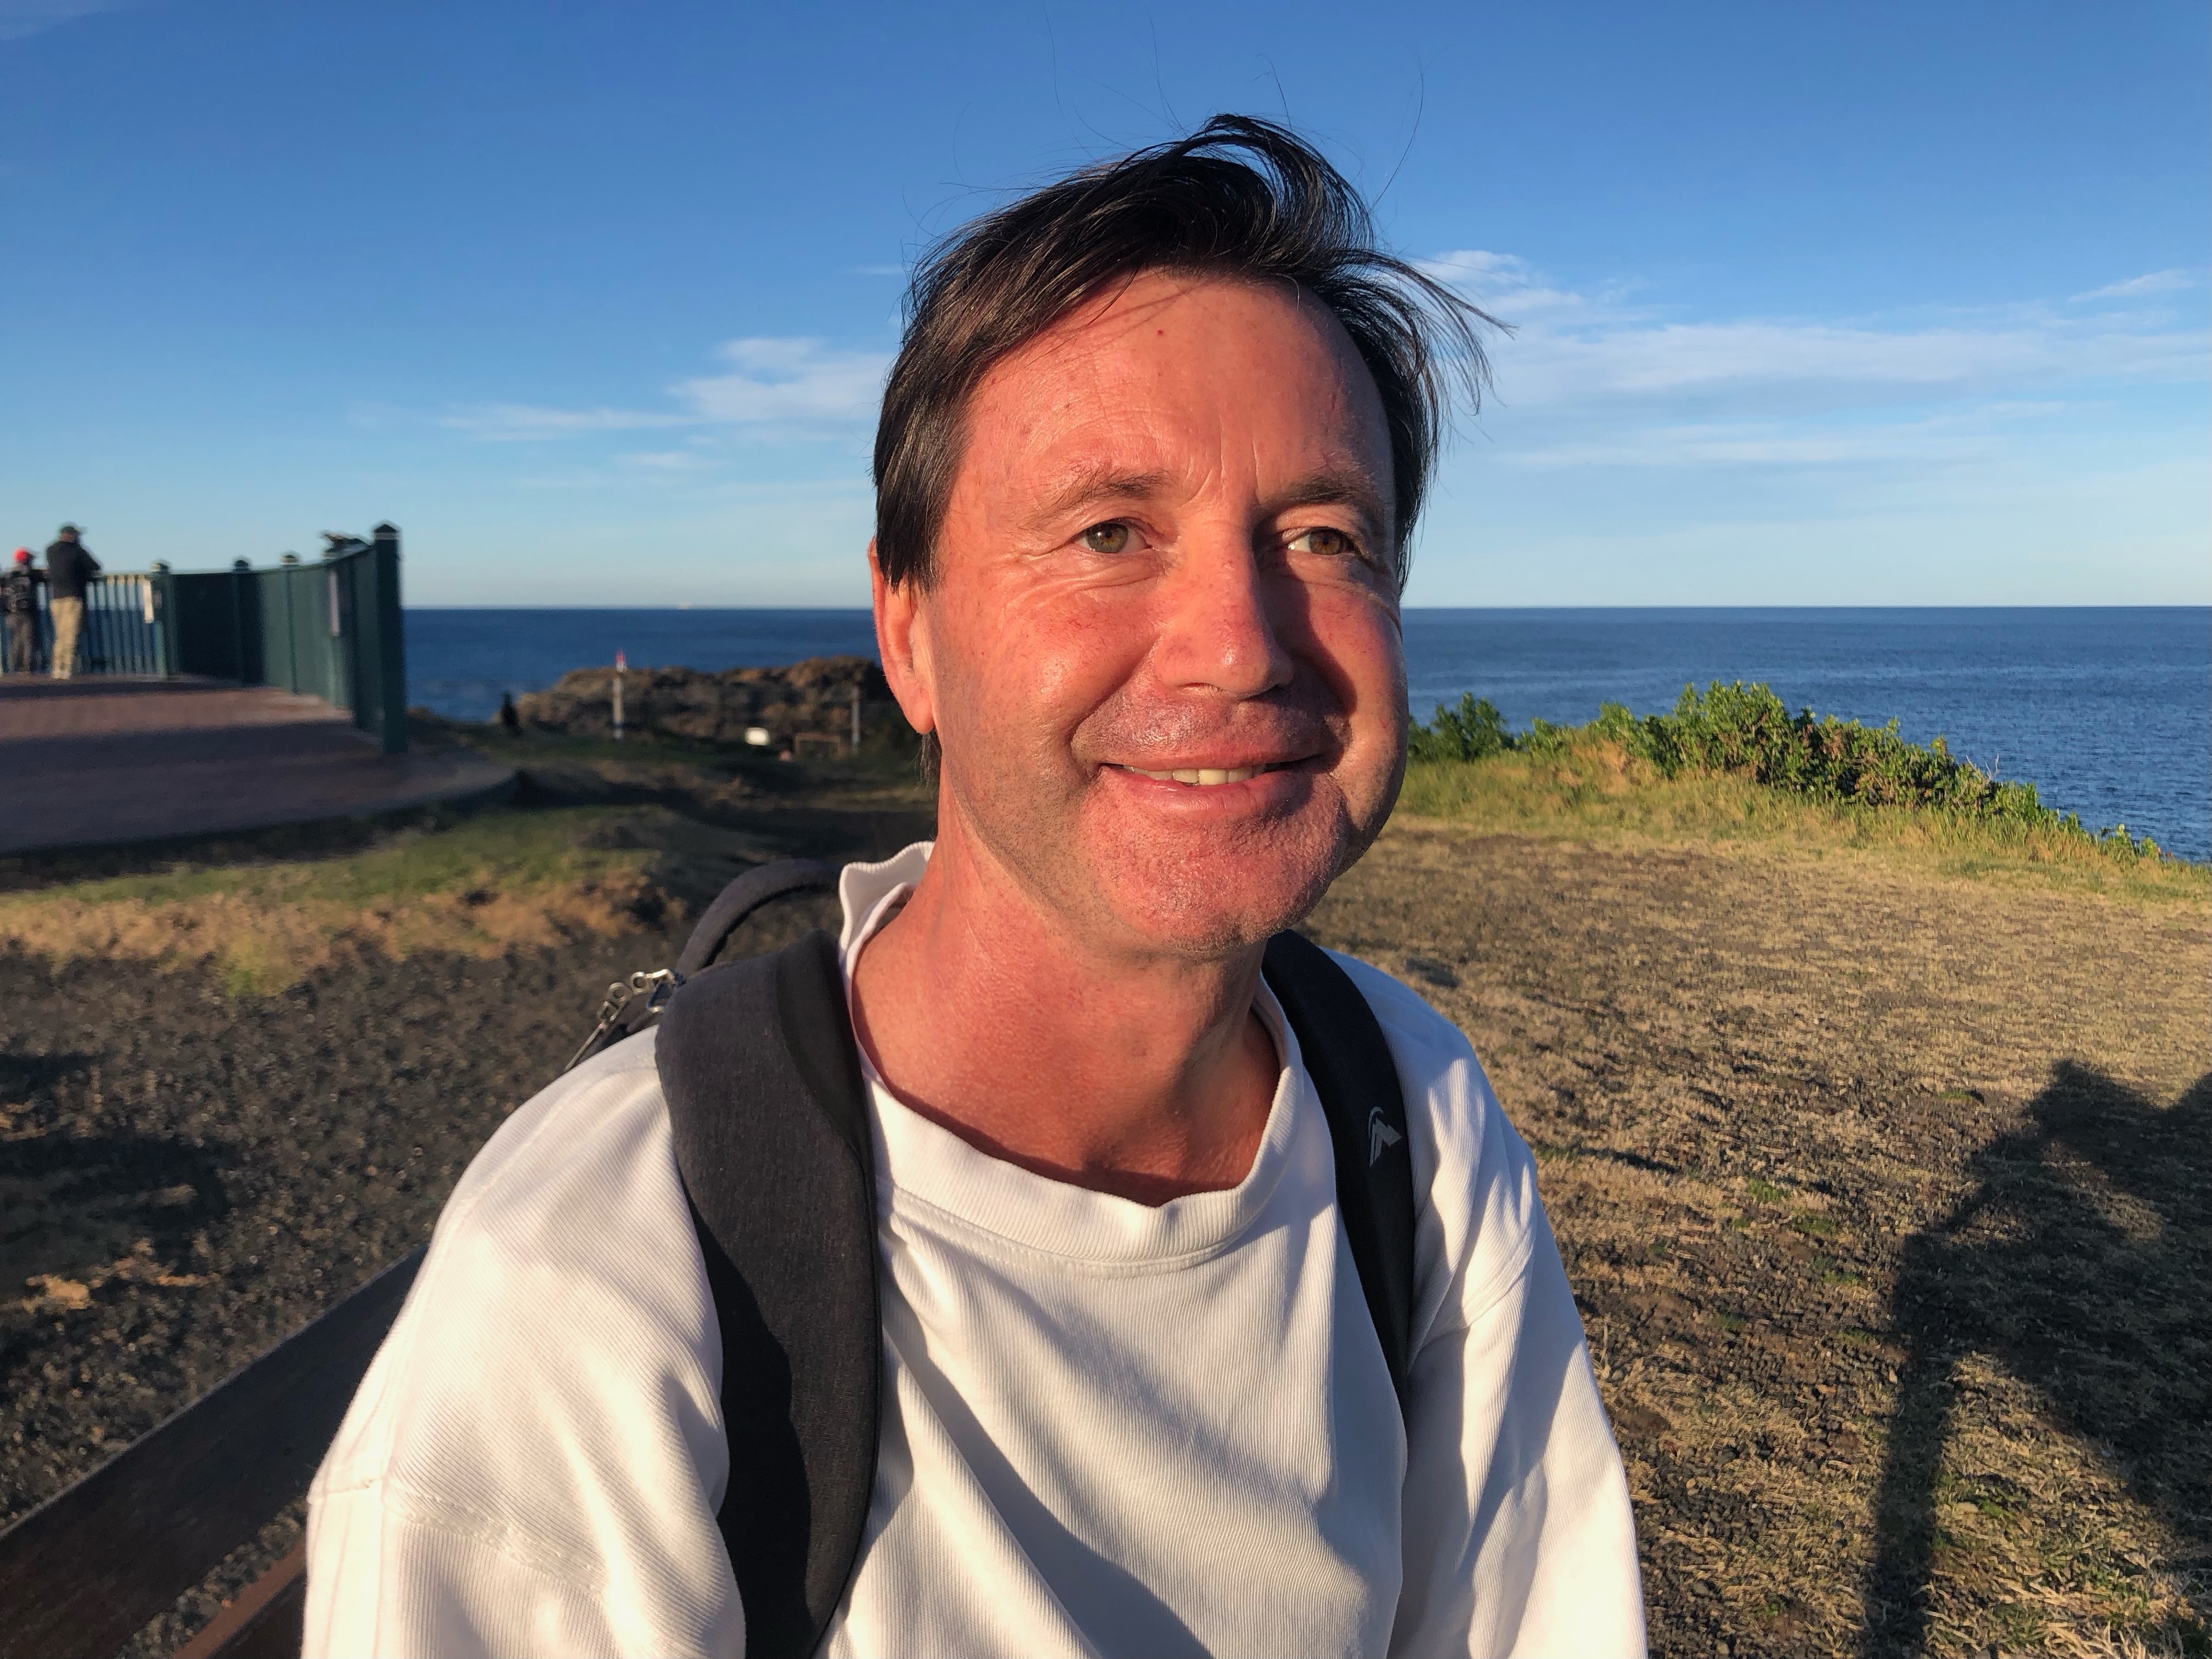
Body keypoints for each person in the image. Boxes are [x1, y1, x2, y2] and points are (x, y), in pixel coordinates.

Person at [306, 117, 1645, 1658]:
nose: (1242, 641)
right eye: (1109, 531)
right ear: (911, 631)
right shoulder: (602, 1288)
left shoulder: (1405, 1110)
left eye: (1325, 536)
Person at [42, 524, 99, 679]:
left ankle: (56, 668)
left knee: (60, 635)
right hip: (73, 597)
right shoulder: (77, 551)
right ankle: (67, 669)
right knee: (71, 635)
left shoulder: (50, 550)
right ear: (72, 535)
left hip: (56, 598)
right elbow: (95, 566)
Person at [3, 550, 42, 674]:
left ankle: (14, 666)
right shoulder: (30, 573)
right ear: (26, 560)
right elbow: (40, 576)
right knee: (28, 640)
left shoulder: (9, 573)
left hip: (11, 612)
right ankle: (27, 667)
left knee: (16, 639)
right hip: (26, 611)